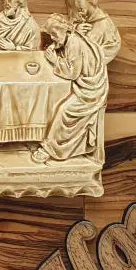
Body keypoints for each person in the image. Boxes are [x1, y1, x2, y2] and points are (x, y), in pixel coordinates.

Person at [32, 13, 109, 163]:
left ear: (65, 30)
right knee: (53, 102)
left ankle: (53, 149)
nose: (52, 38)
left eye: (54, 34)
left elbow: (72, 73)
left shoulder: (74, 44)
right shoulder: (70, 38)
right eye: (51, 35)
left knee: (64, 111)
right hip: (85, 85)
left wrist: (55, 60)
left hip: (91, 91)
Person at [65, 0, 120, 64]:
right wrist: (76, 31)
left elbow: (111, 49)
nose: (77, 6)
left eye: (79, 1)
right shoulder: (78, 21)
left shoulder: (104, 24)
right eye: (73, 4)